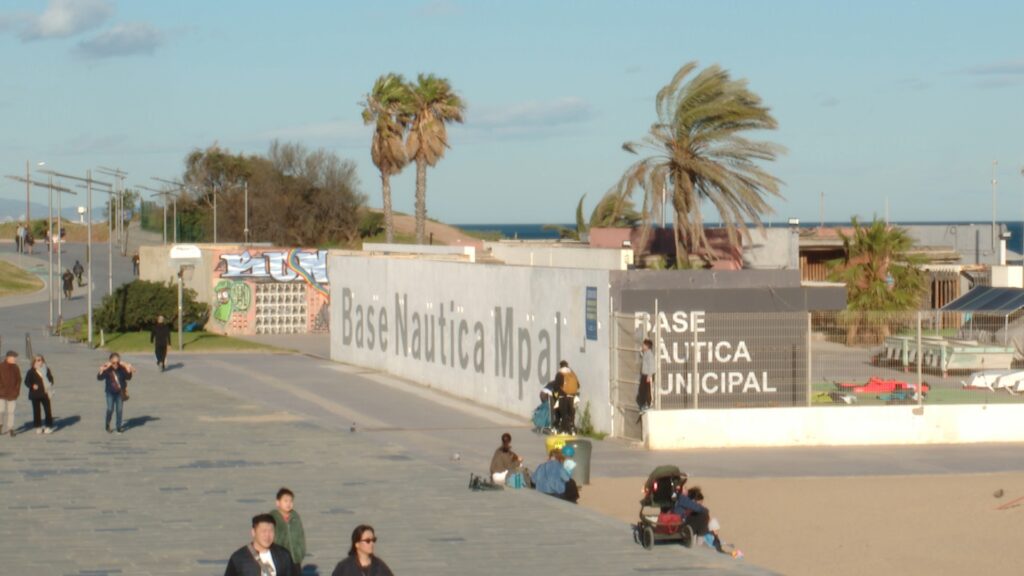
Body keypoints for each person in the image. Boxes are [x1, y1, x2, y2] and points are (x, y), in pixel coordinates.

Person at [225, 513, 294, 576]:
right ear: (253, 532)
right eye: (264, 531)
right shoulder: (239, 558)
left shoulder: (283, 555)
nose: (267, 535)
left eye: (271, 531)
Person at [270, 487, 306, 576]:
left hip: (295, 559)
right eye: (285, 501)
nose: (288, 504)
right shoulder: (272, 518)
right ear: (278, 502)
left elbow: (301, 536)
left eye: (291, 501)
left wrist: (300, 552)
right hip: (278, 560)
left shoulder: (295, 517)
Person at [97, 353, 133, 434]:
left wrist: (128, 369)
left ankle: (118, 426)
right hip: (110, 392)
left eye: (117, 362)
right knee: (110, 409)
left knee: (119, 410)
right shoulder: (108, 369)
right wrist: (101, 370)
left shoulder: (122, 368)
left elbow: (128, 377)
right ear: (110, 362)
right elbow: (99, 378)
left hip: (120, 393)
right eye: (113, 363)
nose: (115, 364)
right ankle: (107, 424)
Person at [24, 355, 54, 434]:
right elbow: (26, 382)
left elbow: (51, 378)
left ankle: (48, 426)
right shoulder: (31, 371)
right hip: (35, 395)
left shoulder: (46, 370)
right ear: (34, 362)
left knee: (48, 410)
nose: (39, 361)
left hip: (45, 393)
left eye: (41, 360)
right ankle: (38, 427)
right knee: (36, 411)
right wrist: (32, 386)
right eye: (37, 360)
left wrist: (50, 383)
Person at [551, 360, 580, 434]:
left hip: (563, 396)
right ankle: (572, 428)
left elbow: (556, 386)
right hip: (572, 396)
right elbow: (578, 385)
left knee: (563, 413)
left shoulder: (560, 373)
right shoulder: (572, 373)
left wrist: (555, 395)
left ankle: (564, 430)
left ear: (560, 366)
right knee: (571, 413)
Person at [0, 351, 22, 437]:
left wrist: (16, 390)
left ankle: (10, 428)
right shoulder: (1, 366)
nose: (15, 359)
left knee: (11, 412)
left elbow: (19, 379)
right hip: (1, 393)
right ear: (8, 357)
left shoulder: (15, 367)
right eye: (13, 357)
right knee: (0, 410)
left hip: (12, 393)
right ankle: (0, 424)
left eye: (15, 357)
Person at [637, 338, 655, 411]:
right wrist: (641, 351)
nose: (642, 346)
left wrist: (649, 375)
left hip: (647, 376)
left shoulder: (650, 354)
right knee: (642, 390)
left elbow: (651, 366)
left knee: (648, 390)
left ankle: (649, 404)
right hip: (644, 375)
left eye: (644, 345)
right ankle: (643, 405)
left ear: (647, 346)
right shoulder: (645, 353)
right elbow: (643, 357)